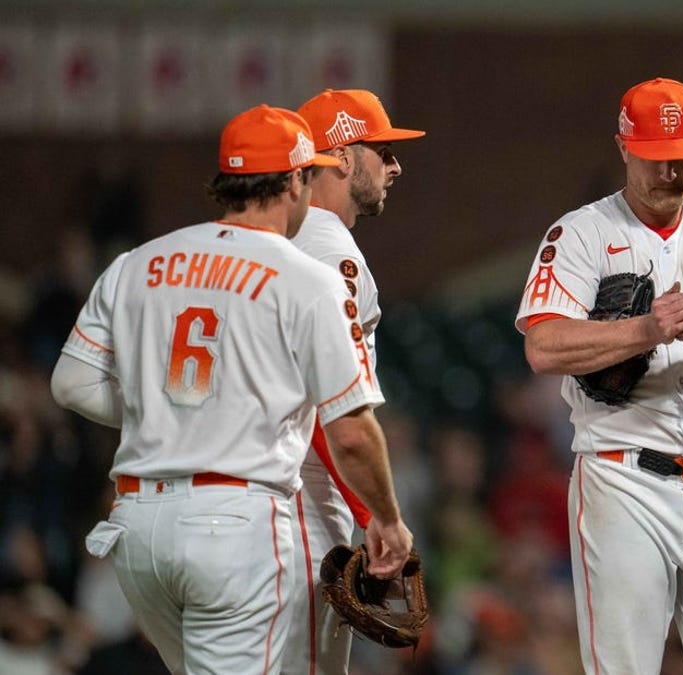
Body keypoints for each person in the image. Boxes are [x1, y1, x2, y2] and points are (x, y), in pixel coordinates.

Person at [49, 105, 414, 675]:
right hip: (234, 523)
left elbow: (71, 383)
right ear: (296, 180)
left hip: (138, 529)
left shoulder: (138, 263)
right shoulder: (305, 275)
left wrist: (172, 416)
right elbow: (347, 429)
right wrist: (385, 517)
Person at [514, 77, 683, 675]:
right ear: (625, 148)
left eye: (682, 158)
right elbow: (543, 345)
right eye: (657, 158)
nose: (670, 173)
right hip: (623, 476)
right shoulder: (580, 233)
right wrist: (644, 331)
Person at [286, 88, 424, 675]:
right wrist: (369, 510)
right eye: (382, 150)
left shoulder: (274, 241)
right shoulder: (331, 254)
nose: (395, 165)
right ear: (341, 156)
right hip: (300, 494)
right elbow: (329, 406)